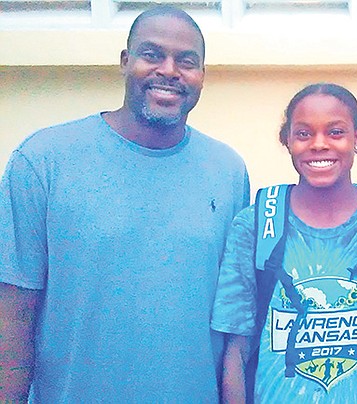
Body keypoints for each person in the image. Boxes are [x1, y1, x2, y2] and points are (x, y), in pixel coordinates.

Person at [0, 6, 249, 402]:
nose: (169, 70)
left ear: (202, 76)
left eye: (187, 61)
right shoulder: (43, 161)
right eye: (152, 55)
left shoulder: (228, 171)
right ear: (124, 61)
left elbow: (235, 322)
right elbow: (13, 316)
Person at [210, 83, 357, 403]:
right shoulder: (255, 226)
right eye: (304, 133)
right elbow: (236, 353)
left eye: (336, 132)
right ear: (288, 141)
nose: (319, 144)